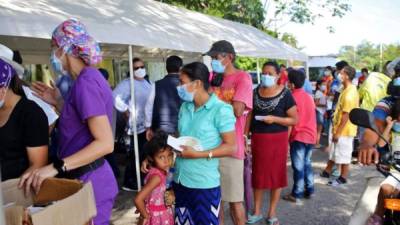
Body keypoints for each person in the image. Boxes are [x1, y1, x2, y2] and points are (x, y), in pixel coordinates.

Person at [19, 19, 118, 225]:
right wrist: (58, 102)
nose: (53, 55)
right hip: (86, 178)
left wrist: (56, 167)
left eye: (54, 48)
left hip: (91, 179)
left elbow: (105, 143)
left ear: (65, 48)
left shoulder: (86, 82)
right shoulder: (86, 79)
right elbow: (84, 122)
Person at [171, 62, 236, 225]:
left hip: (203, 183)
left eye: (182, 82)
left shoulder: (220, 109)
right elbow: (181, 136)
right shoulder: (185, 107)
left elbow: (231, 146)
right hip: (180, 180)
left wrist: (198, 154)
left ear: (197, 83)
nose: (179, 86)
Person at [205, 40, 252, 225]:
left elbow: (237, 110)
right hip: (210, 147)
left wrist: (211, 103)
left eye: (216, 57)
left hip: (231, 148)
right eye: (212, 57)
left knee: (234, 201)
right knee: (215, 203)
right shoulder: (211, 77)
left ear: (229, 57)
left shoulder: (243, 78)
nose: (213, 61)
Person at [245, 61, 298, 225]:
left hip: (278, 140)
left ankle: (272, 213)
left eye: (270, 73)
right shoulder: (255, 92)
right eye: (264, 73)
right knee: (258, 176)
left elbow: (294, 119)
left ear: (277, 76)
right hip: (258, 140)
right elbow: (249, 116)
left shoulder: (285, 94)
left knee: (277, 175)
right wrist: (245, 136)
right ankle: (257, 211)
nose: (266, 76)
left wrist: (274, 119)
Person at [0, 55, 48, 182]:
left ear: (3, 89)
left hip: (16, 192)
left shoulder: (31, 114)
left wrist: (9, 191)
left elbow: (38, 165)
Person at [113, 57, 153, 191]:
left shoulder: (147, 82)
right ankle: (130, 182)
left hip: (147, 123)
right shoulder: (127, 83)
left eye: (142, 67)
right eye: (136, 68)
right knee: (136, 153)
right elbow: (114, 97)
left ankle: (140, 179)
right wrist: (125, 110)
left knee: (143, 153)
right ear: (131, 70)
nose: (140, 70)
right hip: (137, 124)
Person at [320, 65, 359, 186]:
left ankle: (343, 178)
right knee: (334, 151)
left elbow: (346, 115)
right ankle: (327, 171)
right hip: (338, 126)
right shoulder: (345, 89)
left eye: (341, 73)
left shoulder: (350, 93)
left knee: (344, 154)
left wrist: (338, 132)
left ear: (346, 76)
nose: (338, 74)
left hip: (345, 130)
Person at [283, 69, 317, 203]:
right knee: (307, 163)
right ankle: (310, 190)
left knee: (298, 166)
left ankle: (297, 193)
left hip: (298, 136)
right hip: (311, 135)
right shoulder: (308, 96)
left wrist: (285, 142)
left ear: (291, 84)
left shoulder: (291, 97)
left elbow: (291, 122)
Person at [358, 58, 400, 167]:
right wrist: (367, 145)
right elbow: (375, 125)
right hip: (394, 164)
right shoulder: (388, 102)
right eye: (398, 74)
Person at [365, 99, 400, 225]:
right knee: (385, 188)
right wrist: (389, 127)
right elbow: (380, 143)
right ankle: (382, 215)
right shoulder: (394, 133)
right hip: (396, 173)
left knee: (396, 194)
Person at [134, 132, 174, 225]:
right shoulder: (157, 177)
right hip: (158, 217)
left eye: (169, 155)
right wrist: (145, 216)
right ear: (151, 158)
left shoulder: (159, 171)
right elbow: (138, 199)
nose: (166, 160)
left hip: (162, 214)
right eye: (161, 157)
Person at [146, 55, 183, 139]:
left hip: (160, 130)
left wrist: (148, 126)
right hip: (180, 128)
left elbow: (148, 107)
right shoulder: (185, 85)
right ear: (181, 68)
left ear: (166, 68)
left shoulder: (156, 84)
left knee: (161, 151)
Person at [315, 80, 328, 148]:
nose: (324, 86)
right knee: (318, 129)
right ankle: (316, 143)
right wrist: (325, 105)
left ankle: (316, 143)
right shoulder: (318, 93)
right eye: (323, 84)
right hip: (319, 112)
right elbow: (316, 103)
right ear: (319, 85)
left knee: (319, 129)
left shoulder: (320, 93)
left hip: (320, 112)